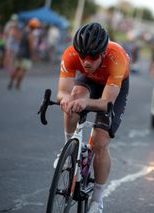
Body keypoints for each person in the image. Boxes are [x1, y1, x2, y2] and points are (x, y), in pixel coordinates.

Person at [56, 22, 129, 213]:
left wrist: (86, 104)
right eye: (82, 56)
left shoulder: (117, 58)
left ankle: (97, 199)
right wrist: (67, 100)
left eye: (93, 56)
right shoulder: (71, 54)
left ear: (103, 53)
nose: (87, 61)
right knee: (74, 99)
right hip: (89, 80)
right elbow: (62, 91)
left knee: (99, 142)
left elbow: (106, 103)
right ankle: (68, 151)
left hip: (112, 86)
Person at [7, 18, 40, 90]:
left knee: (16, 68)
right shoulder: (31, 35)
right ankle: (18, 85)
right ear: (35, 27)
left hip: (19, 53)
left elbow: (19, 40)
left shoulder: (24, 32)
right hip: (26, 55)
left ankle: (11, 82)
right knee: (23, 70)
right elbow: (31, 47)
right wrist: (33, 55)